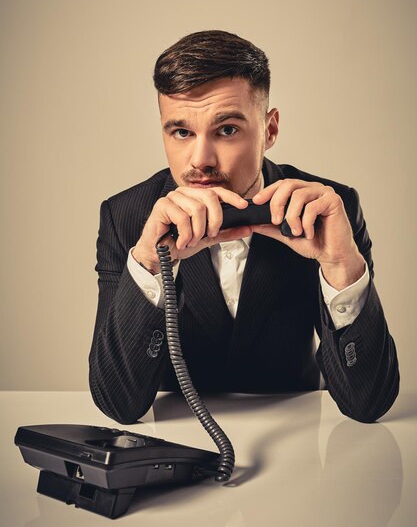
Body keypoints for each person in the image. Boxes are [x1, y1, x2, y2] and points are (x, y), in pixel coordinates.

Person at [89, 30, 399, 425]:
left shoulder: (328, 210)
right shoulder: (127, 216)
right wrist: (149, 262)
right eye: (181, 132)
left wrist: (341, 268)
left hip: (302, 444)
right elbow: (118, 405)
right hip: (176, 445)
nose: (200, 160)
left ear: (269, 130)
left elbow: (369, 404)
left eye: (227, 130)